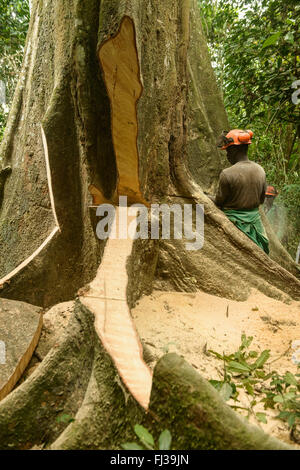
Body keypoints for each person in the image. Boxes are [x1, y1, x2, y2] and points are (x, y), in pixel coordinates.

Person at [210, 129, 269, 254]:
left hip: (234, 226)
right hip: (256, 226)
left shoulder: (227, 174)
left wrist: (207, 197)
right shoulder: (260, 170)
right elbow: (262, 200)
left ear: (234, 150)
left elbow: (219, 202)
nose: (227, 155)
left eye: (228, 150)